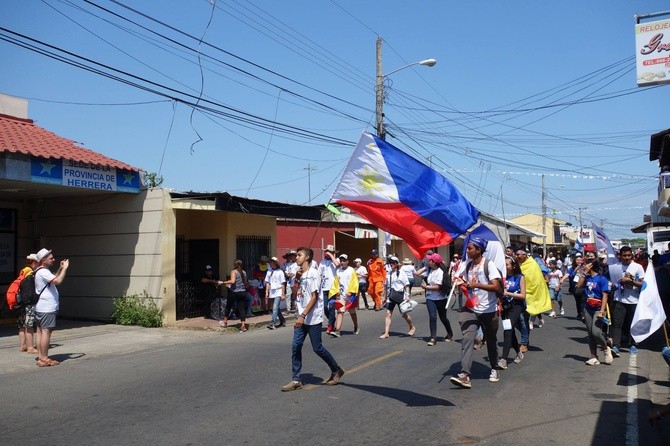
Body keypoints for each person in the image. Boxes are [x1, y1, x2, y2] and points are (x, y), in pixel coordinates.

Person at [281, 247, 344, 392]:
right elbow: (296, 293)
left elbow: (315, 297)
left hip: (312, 317)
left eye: (299, 255)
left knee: (317, 348)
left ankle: (336, 370)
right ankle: (296, 380)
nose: (296, 257)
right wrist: (297, 278)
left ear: (307, 258)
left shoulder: (314, 274)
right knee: (296, 346)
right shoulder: (300, 274)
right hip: (300, 317)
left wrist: (303, 316)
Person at [450, 238, 503, 388]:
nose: (467, 251)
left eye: (470, 248)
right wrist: (459, 281)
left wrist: (475, 284)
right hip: (471, 308)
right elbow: (460, 278)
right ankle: (465, 375)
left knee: (491, 340)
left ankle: (494, 368)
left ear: (478, 250)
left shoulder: (489, 264)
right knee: (468, 339)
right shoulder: (466, 264)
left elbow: (495, 286)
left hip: (488, 310)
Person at [34, 248, 69, 367]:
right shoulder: (43, 272)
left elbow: (52, 278)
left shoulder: (41, 271)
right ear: (43, 260)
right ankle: (44, 358)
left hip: (41, 307)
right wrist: (64, 268)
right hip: (47, 307)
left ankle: (41, 357)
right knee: (46, 332)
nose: (53, 259)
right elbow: (58, 281)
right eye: (51, 258)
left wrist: (59, 268)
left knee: (40, 332)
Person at [608, 246, 645, 357]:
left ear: (632, 255)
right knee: (618, 324)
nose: (627, 258)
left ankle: (633, 344)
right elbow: (610, 283)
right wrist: (613, 286)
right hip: (619, 299)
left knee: (632, 324)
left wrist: (630, 281)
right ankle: (616, 346)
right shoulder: (615, 267)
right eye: (624, 255)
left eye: (629, 255)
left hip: (634, 300)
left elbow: (643, 284)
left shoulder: (637, 267)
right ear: (620, 256)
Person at [576, 259, 614, 365]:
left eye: (587, 264)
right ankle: (594, 356)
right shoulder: (587, 278)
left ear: (591, 266)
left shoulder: (602, 279)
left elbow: (605, 295)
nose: (585, 266)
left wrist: (602, 310)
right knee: (590, 333)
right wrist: (583, 273)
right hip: (588, 308)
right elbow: (578, 286)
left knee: (596, 332)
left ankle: (606, 349)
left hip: (598, 309)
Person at [498, 256, 527, 368]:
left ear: (513, 266)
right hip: (505, 307)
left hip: (516, 305)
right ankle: (519, 353)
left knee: (508, 330)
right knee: (509, 331)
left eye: (507, 264)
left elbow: (523, 296)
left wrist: (509, 294)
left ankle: (504, 359)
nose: (505, 266)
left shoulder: (520, 277)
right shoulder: (502, 278)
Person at [420, 253, 454, 346]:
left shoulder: (440, 272)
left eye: (430, 260)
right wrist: (425, 267)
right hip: (430, 298)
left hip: (441, 299)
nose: (428, 261)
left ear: (434, 262)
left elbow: (438, 287)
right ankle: (433, 338)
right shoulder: (430, 270)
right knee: (432, 317)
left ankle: (449, 332)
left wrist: (426, 287)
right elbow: (417, 273)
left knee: (443, 318)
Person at [379, 256, 415, 339]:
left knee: (404, 314)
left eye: (393, 263)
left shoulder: (401, 273)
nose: (391, 264)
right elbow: (385, 286)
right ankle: (386, 333)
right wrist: (383, 297)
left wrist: (407, 296)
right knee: (388, 314)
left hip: (399, 296)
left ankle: (412, 327)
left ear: (397, 264)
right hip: (390, 296)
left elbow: (406, 285)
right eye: (390, 263)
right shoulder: (389, 273)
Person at [329, 254, 359, 337]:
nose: (342, 262)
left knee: (352, 312)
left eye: (344, 261)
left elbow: (355, 282)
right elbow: (336, 283)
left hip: (350, 296)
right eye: (341, 261)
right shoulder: (338, 271)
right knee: (340, 312)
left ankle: (356, 326)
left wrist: (351, 291)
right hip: (341, 295)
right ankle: (338, 331)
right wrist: (336, 292)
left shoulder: (351, 270)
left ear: (347, 261)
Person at [17, 253, 39, 354]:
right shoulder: (30, 275)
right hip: (29, 303)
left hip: (21, 302)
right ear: (34, 262)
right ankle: (30, 347)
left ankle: (23, 346)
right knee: (29, 325)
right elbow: (30, 292)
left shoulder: (23, 272)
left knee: (22, 324)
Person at [221, 260, 249, 332]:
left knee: (228, 306)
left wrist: (224, 282)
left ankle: (225, 322)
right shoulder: (244, 272)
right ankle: (243, 325)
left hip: (234, 291)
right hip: (242, 292)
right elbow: (245, 282)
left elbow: (232, 281)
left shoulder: (234, 271)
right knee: (241, 308)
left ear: (234, 265)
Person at [318, 245, 340, 334]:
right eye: (326, 252)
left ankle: (330, 325)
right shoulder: (322, 262)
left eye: (329, 252)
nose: (326, 253)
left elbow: (337, 265)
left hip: (333, 288)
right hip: (324, 288)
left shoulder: (336, 260)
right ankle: (332, 319)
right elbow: (319, 275)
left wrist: (331, 255)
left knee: (331, 307)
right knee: (324, 307)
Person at [265, 257, 287, 330]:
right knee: (276, 308)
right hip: (272, 291)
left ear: (275, 263)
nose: (270, 263)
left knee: (274, 308)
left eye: (272, 262)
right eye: (270, 262)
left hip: (278, 291)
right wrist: (267, 292)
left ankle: (272, 323)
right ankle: (282, 320)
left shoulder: (280, 272)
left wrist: (283, 294)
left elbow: (283, 283)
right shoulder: (269, 272)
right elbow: (268, 282)